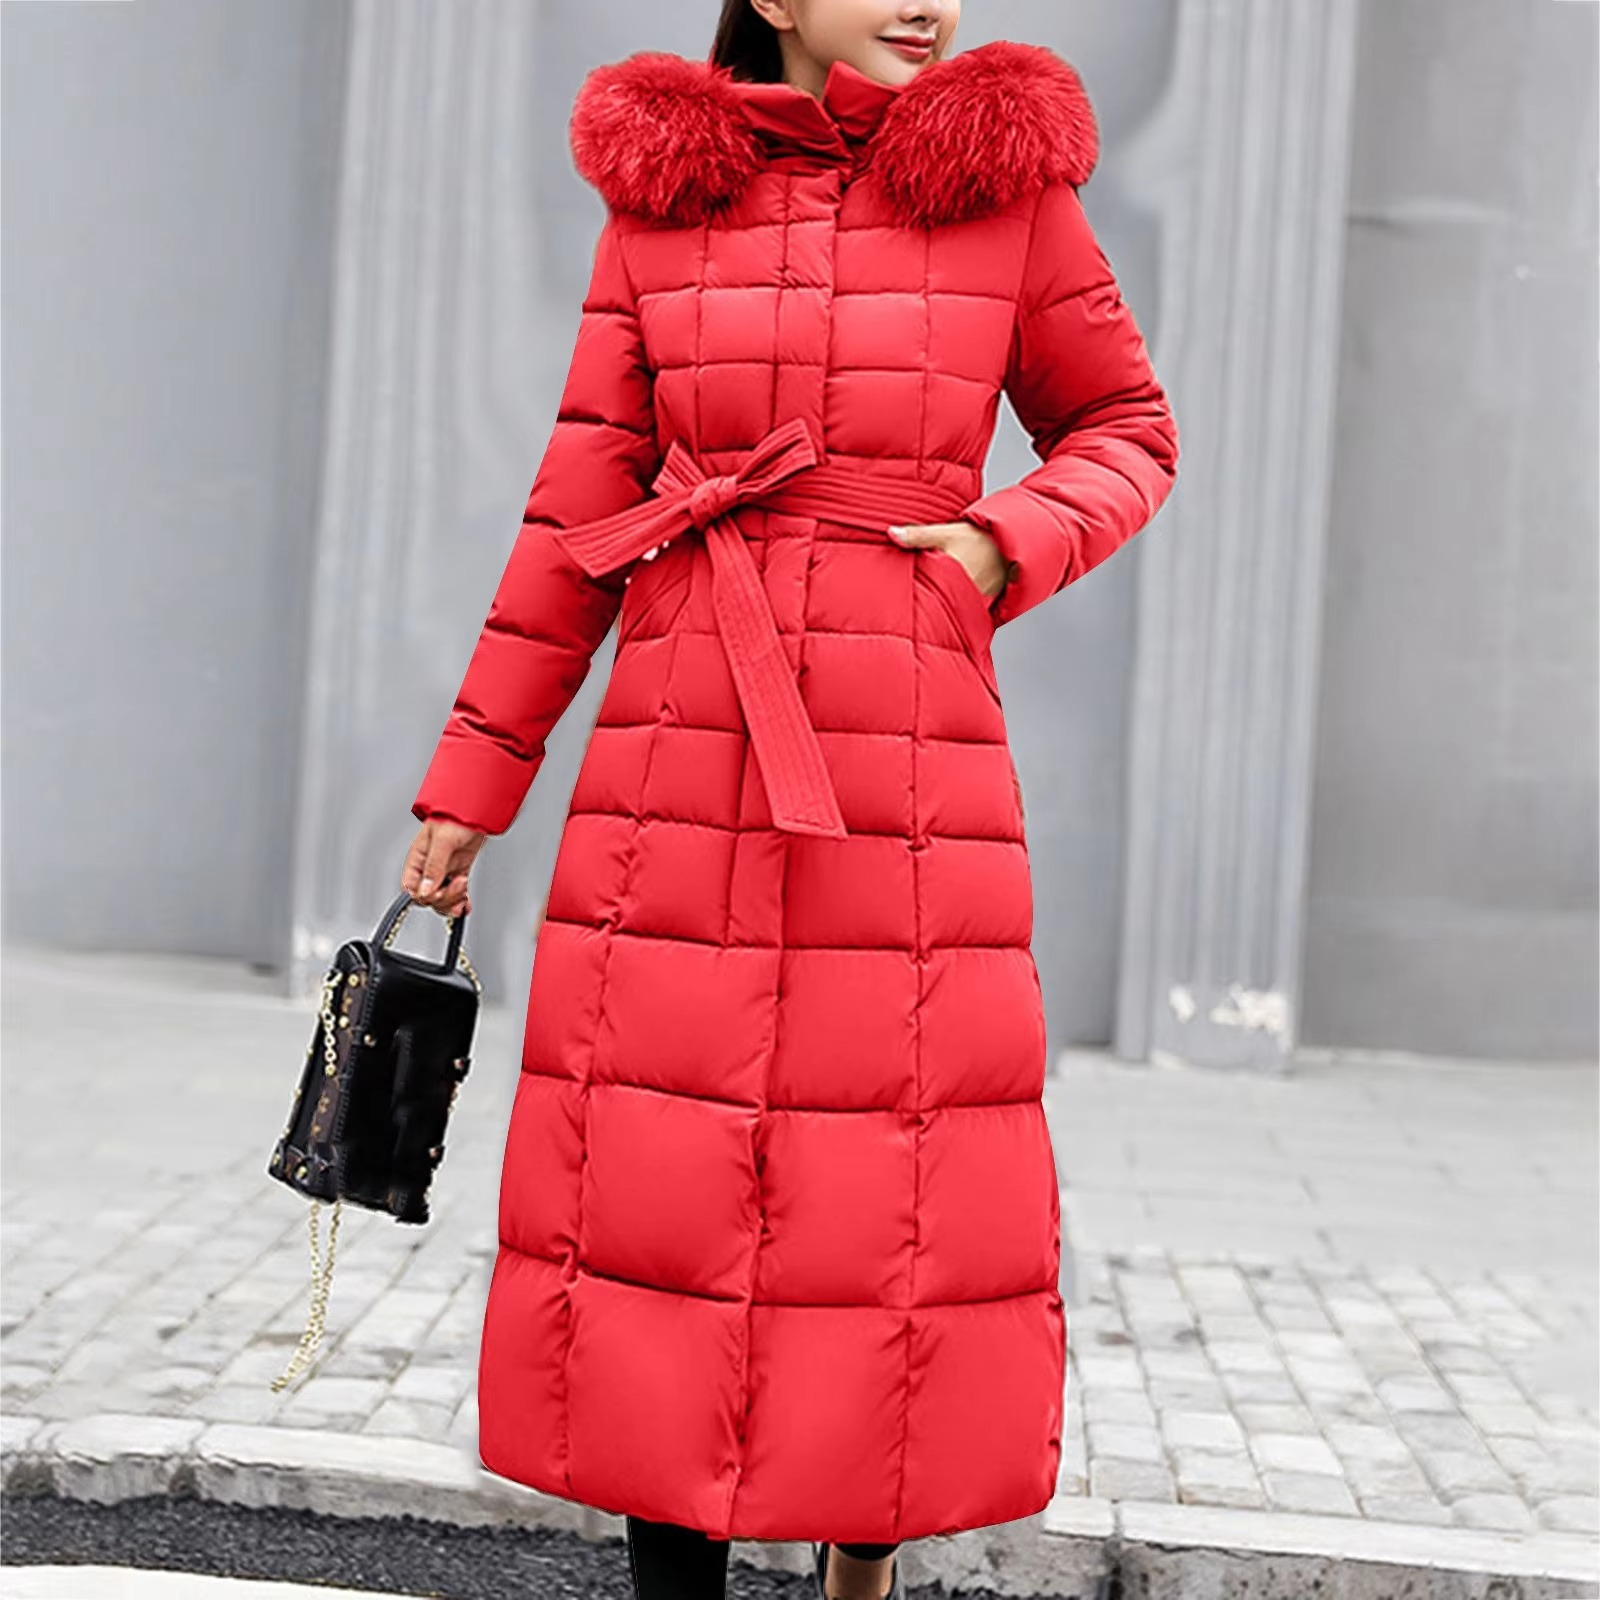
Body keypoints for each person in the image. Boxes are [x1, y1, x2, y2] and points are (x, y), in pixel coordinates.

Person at [402, 1, 1179, 1596]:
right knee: (657, 1192)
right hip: (674, 755)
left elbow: (1126, 428)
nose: (927, 4)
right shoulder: (663, 199)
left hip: (906, 764)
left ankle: (858, 1570)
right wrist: (473, 782)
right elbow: (576, 510)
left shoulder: (1011, 191)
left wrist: (1003, 543)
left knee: (888, 1184)